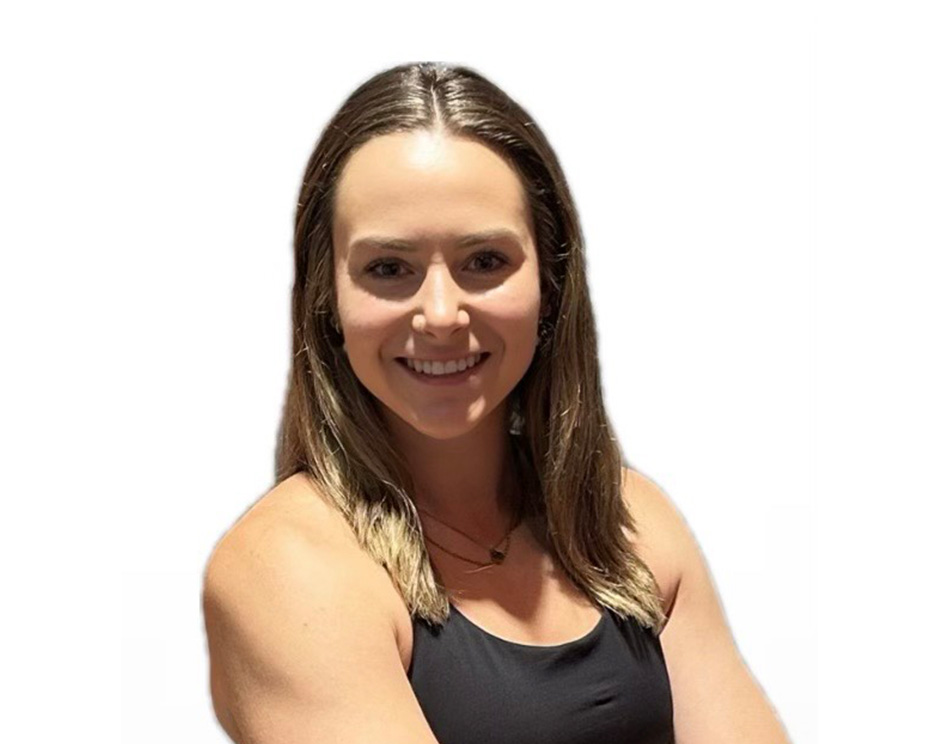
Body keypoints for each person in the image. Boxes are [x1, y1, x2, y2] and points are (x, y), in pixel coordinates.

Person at [201, 62, 791, 744]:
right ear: (328, 300)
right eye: (389, 269)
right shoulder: (285, 568)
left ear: (551, 282)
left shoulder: (630, 521)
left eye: (484, 261)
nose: (442, 314)